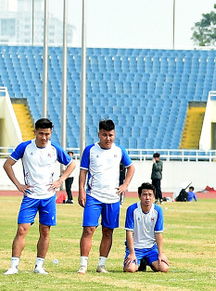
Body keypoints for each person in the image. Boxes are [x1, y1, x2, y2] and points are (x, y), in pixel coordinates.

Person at [4, 118, 78, 275]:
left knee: (45, 231)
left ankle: (39, 266)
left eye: (47, 134)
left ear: (51, 133)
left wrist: (60, 180)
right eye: (41, 134)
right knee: (22, 230)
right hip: (30, 196)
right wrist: (18, 184)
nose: (44, 137)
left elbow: (71, 164)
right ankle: (13, 266)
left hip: (48, 197)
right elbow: (7, 165)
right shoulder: (25, 147)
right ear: (35, 132)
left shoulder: (54, 148)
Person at [75, 119, 134, 274]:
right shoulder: (90, 150)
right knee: (88, 229)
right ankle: (83, 264)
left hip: (113, 198)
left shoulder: (119, 150)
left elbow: (131, 168)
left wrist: (125, 185)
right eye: (105, 135)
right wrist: (81, 191)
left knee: (108, 231)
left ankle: (101, 264)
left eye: (111, 135)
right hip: (93, 196)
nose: (108, 138)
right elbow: (83, 172)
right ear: (99, 134)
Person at [123, 183, 169, 273]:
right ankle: (140, 263)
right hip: (135, 248)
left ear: (153, 197)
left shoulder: (158, 210)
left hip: (151, 248)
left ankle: (147, 261)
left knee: (164, 268)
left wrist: (160, 254)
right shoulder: (132, 209)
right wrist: (132, 253)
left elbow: (158, 233)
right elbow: (129, 232)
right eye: (144, 194)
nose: (147, 197)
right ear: (139, 196)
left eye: (150, 195)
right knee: (130, 269)